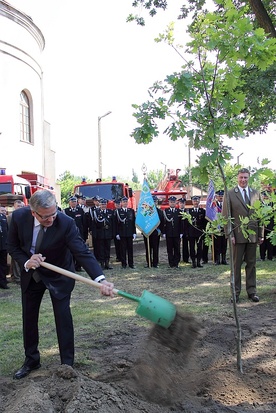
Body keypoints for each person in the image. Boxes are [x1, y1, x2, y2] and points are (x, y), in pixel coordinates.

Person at [7, 190, 114, 380]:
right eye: (46, 216)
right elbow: (13, 247)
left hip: (59, 274)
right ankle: (31, 359)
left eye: (54, 213)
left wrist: (101, 280)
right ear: (34, 212)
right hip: (32, 274)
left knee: (63, 317)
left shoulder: (66, 223)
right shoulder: (18, 217)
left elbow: (82, 252)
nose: (51, 219)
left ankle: (67, 364)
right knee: (29, 318)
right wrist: (26, 262)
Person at [222, 168, 264, 303]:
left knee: (251, 264)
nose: (243, 180)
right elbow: (226, 216)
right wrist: (230, 234)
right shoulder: (230, 194)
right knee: (236, 265)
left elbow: (260, 215)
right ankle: (235, 293)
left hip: (252, 236)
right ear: (237, 178)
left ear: (249, 178)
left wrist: (260, 234)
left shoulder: (256, 193)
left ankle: (252, 291)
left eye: (246, 177)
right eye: (241, 177)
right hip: (237, 236)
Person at [114, 196, 136, 269]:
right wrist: (117, 233)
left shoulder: (131, 211)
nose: (125, 203)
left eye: (126, 202)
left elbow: (133, 223)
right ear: (121, 203)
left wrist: (134, 232)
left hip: (129, 233)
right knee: (122, 249)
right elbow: (116, 224)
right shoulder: (118, 211)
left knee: (130, 249)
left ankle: (131, 263)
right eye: (124, 202)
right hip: (122, 233)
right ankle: (124, 264)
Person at [64, 196, 85, 271]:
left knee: (79, 250)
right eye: (72, 202)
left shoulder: (80, 210)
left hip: (79, 234)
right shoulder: (66, 211)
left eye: (75, 201)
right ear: (69, 202)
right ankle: (72, 266)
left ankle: (78, 266)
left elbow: (84, 223)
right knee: (70, 251)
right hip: (69, 235)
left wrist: (84, 235)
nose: (74, 203)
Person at [7, 199, 25, 284]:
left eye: (21, 206)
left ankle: (16, 276)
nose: (20, 208)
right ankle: (17, 277)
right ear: (14, 206)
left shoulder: (24, 215)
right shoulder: (11, 216)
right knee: (15, 261)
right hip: (15, 242)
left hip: (22, 241)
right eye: (18, 206)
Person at [143, 195, 164, 268]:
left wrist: (161, 231)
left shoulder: (160, 211)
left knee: (155, 248)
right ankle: (148, 263)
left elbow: (162, 222)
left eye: (155, 201)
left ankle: (155, 263)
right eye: (153, 201)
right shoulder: (146, 211)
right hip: (147, 232)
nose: (154, 203)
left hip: (156, 233)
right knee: (148, 248)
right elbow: (143, 221)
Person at [162, 196, 183, 268]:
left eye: (174, 202)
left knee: (177, 249)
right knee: (169, 249)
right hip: (169, 233)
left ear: (176, 203)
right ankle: (171, 263)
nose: (172, 203)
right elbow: (164, 223)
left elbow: (181, 223)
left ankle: (176, 263)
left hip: (177, 233)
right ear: (169, 203)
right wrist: (164, 232)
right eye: (171, 202)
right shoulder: (165, 211)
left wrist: (181, 232)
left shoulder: (179, 211)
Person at [93, 198, 114, 270]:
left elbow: (112, 224)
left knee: (107, 249)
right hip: (100, 234)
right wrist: (95, 234)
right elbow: (94, 224)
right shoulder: (96, 212)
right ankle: (102, 264)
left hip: (108, 233)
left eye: (104, 204)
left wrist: (112, 234)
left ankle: (107, 263)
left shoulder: (110, 212)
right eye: (102, 204)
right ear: (100, 205)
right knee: (101, 249)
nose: (103, 205)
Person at [187, 196, 206, 268]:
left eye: (197, 201)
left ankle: (198, 261)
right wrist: (187, 233)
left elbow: (205, 222)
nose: (196, 202)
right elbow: (186, 224)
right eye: (194, 201)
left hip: (199, 232)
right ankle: (193, 262)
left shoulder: (203, 211)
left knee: (199, 248)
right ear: (192, 202)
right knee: (192, 248)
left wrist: (204, 231)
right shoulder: (189, 211)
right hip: (191, 233)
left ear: (199, 201)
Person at [213, 190, 228, 265]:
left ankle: (224, 259)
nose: (221, 197)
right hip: (217, 227)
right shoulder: (214, 205)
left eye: (222, 196)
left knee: (224, 244)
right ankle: (217, 260)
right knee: (217, 244)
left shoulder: (226, 205)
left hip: (224, 227)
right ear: (216, 197)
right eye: (219, 196)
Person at [259, 191, 273, 261]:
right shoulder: (260, 205)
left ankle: (270, 256)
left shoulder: (272, 205)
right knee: (262, 243)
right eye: (264, 196)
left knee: (270, 243)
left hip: (270, 227)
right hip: (262, 226)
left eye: (267, 196)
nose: (266, 197)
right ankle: (262, 257)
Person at [178, 198, 190, 263]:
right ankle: (178, 258)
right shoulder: (177, 212)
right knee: (177, 246)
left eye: (183, 203)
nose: (182, 204)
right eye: (181, 203)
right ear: (179, 204)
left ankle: (186, 259)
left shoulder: (187, 212)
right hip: (178, 232)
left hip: (186, 232)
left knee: (185, 246)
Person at [0, 205, 9, 289]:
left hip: (3, 245)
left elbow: (7, 229)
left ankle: (3, 281)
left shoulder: (3, 217)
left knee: (3, 264)